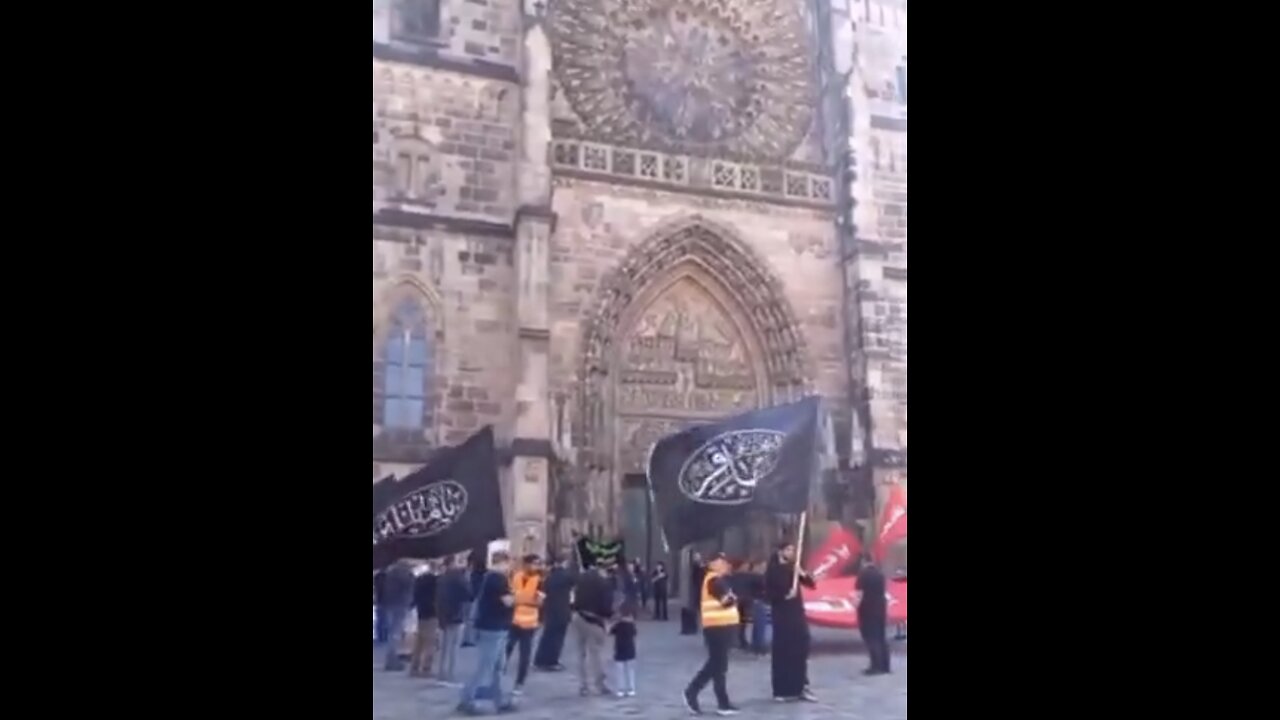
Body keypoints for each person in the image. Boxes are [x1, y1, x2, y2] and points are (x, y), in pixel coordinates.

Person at [457, 551, 516, 715]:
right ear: (503, 562)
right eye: (509, 562)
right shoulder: (497, 579)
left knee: (498, 667)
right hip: (493, 628)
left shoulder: (489, 577)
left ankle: (500, 700)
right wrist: (520, 597)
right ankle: (466, 700)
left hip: (496, 627)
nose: (511, 566)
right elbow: (507, 601)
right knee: (485, 667)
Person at [682, 553, 740, 716]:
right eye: (721, 562)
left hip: (721, 627)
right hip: (717, 628)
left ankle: (722, 702)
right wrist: (733, 598)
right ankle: (694, 692)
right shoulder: (714, 580)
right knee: (717, 665)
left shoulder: (718, 580)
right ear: (713, 564)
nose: (725, 565)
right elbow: (726, 601)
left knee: (718, 665)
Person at [765, 541, 817, 701]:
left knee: (801, 647)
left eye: (793, 549)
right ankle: (782, 690)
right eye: (788, 549)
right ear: (780, 552)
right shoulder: (772, 571)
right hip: (782, 616)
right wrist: (784, 596)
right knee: (783, 651)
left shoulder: (792, 568)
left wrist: (802, 573)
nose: (792, 552)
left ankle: (800, 686)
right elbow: (768, 594)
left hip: (796, 614)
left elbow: (811, 584)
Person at [572, 559, 615, 696]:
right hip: (595, 620)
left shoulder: (581, 578)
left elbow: (574, 598)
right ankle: (599, 684)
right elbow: (606, 606)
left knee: (581, 653)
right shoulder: (604, 583)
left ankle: (583, 685)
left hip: (579, 617)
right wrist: (608, 618)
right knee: (596, 654)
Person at [505, 554, 545, 695]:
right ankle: (500, 677)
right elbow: (509, 595)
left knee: (525, 655)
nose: (536, 566)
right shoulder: (515, 577)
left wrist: (521, 600)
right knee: (506, 650)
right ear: (526, 565)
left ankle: (519, 683)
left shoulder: (539, 580)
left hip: (530, 623)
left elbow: (540, 602)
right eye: (534, 563)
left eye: (538, 564)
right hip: (514, 620)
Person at [436, 553, 473, 686]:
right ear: (453, 562)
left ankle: (441, 674)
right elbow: (469, 595)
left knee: (444, 647)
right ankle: (450, 675)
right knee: (453, 647)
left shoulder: (442, 578)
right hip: (456, 614)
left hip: (443, 614)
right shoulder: (459, 578)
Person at [533, 555, 574, 671]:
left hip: (550, 610)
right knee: (557, 639)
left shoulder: (549, 577)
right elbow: (575, 580)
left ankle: (540, 660)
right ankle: (551, 661)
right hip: (561, 611)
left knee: (547, 636)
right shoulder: (565, 576)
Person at [856, 553, 891, 675]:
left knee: (871, 637)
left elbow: (859, 595)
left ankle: (875, 666)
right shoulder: (880, 574)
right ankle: (885, 665)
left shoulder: (862, 575)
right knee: (881, 636)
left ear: (863, 562)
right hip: (881, 607)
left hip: (867, 608)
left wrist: (855, 605)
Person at [382, 559, 417, 672]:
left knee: (392, 633)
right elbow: (411, 587)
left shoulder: (390, 574)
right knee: (396, 633)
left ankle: (391, 659)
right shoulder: (406, 575)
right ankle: (392, 660)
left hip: (390, 604)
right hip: (400, 604)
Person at [409, 561, 438, 677]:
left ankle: (414, 667)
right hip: (432, 612)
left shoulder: (419, 580)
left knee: (419, 642)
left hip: (421, 612)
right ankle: (426, 668)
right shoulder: (436, 581)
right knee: (430, 642)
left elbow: (414, 596)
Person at [610, 602, 638, 697]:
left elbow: (609, 631)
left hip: (619, 650)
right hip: (630, 650)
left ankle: (620, 689)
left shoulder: (618, 625)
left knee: (619, 672)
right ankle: (631, 688)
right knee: (630, 671)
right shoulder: (631, 625)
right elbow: (635, 633)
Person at [463, 556, 486, 647]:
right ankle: (472, 638)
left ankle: (469, 639)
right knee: (472, 619)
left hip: (471, 599)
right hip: (476, 598)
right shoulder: (482, 574)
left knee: (469, 620)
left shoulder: (472, 574)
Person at [749, 561, 770, 656]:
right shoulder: (757, 577)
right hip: (758, 602)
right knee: (760, 624)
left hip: (757, 601)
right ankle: (759, 646)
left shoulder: (756, 577)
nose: (764, 568)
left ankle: (756, 645)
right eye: (762, 566)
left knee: (758, 625)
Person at [374, 568, 389, 644]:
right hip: (386, 601)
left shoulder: (377, 576)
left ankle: (380, 636)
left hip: (380, 601)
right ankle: (384, 636)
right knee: (385, 619)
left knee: (380, 620)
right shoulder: (388, 577)